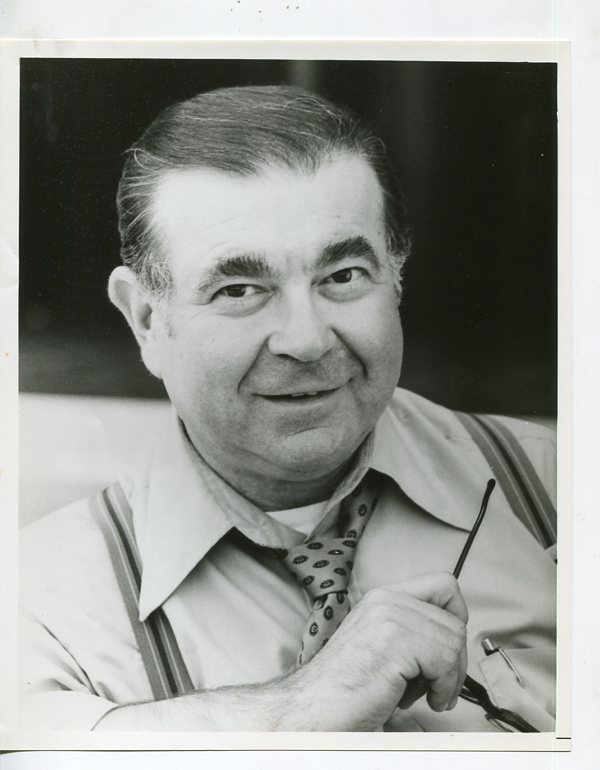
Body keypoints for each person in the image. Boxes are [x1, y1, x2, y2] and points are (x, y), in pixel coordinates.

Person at [19, 85, 557, 732]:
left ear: (396, 280)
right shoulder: (40, 602)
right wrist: (299, 708)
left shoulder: (557, 494)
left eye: (343, 276)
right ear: (145, 320)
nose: (306, 340)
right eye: (239, 289)